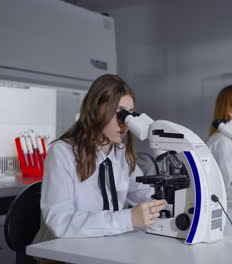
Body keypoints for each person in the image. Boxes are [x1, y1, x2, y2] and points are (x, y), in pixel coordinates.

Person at [33, 74, 166, 245]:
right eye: (119, 112)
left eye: (130, 114)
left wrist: (175, 202)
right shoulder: (62, 152)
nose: (125, 122)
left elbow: (144, 195)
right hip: (61, 251)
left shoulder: (121, 153)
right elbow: (60, 221)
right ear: (96, 110)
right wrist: (128, 219)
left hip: (105, 246)